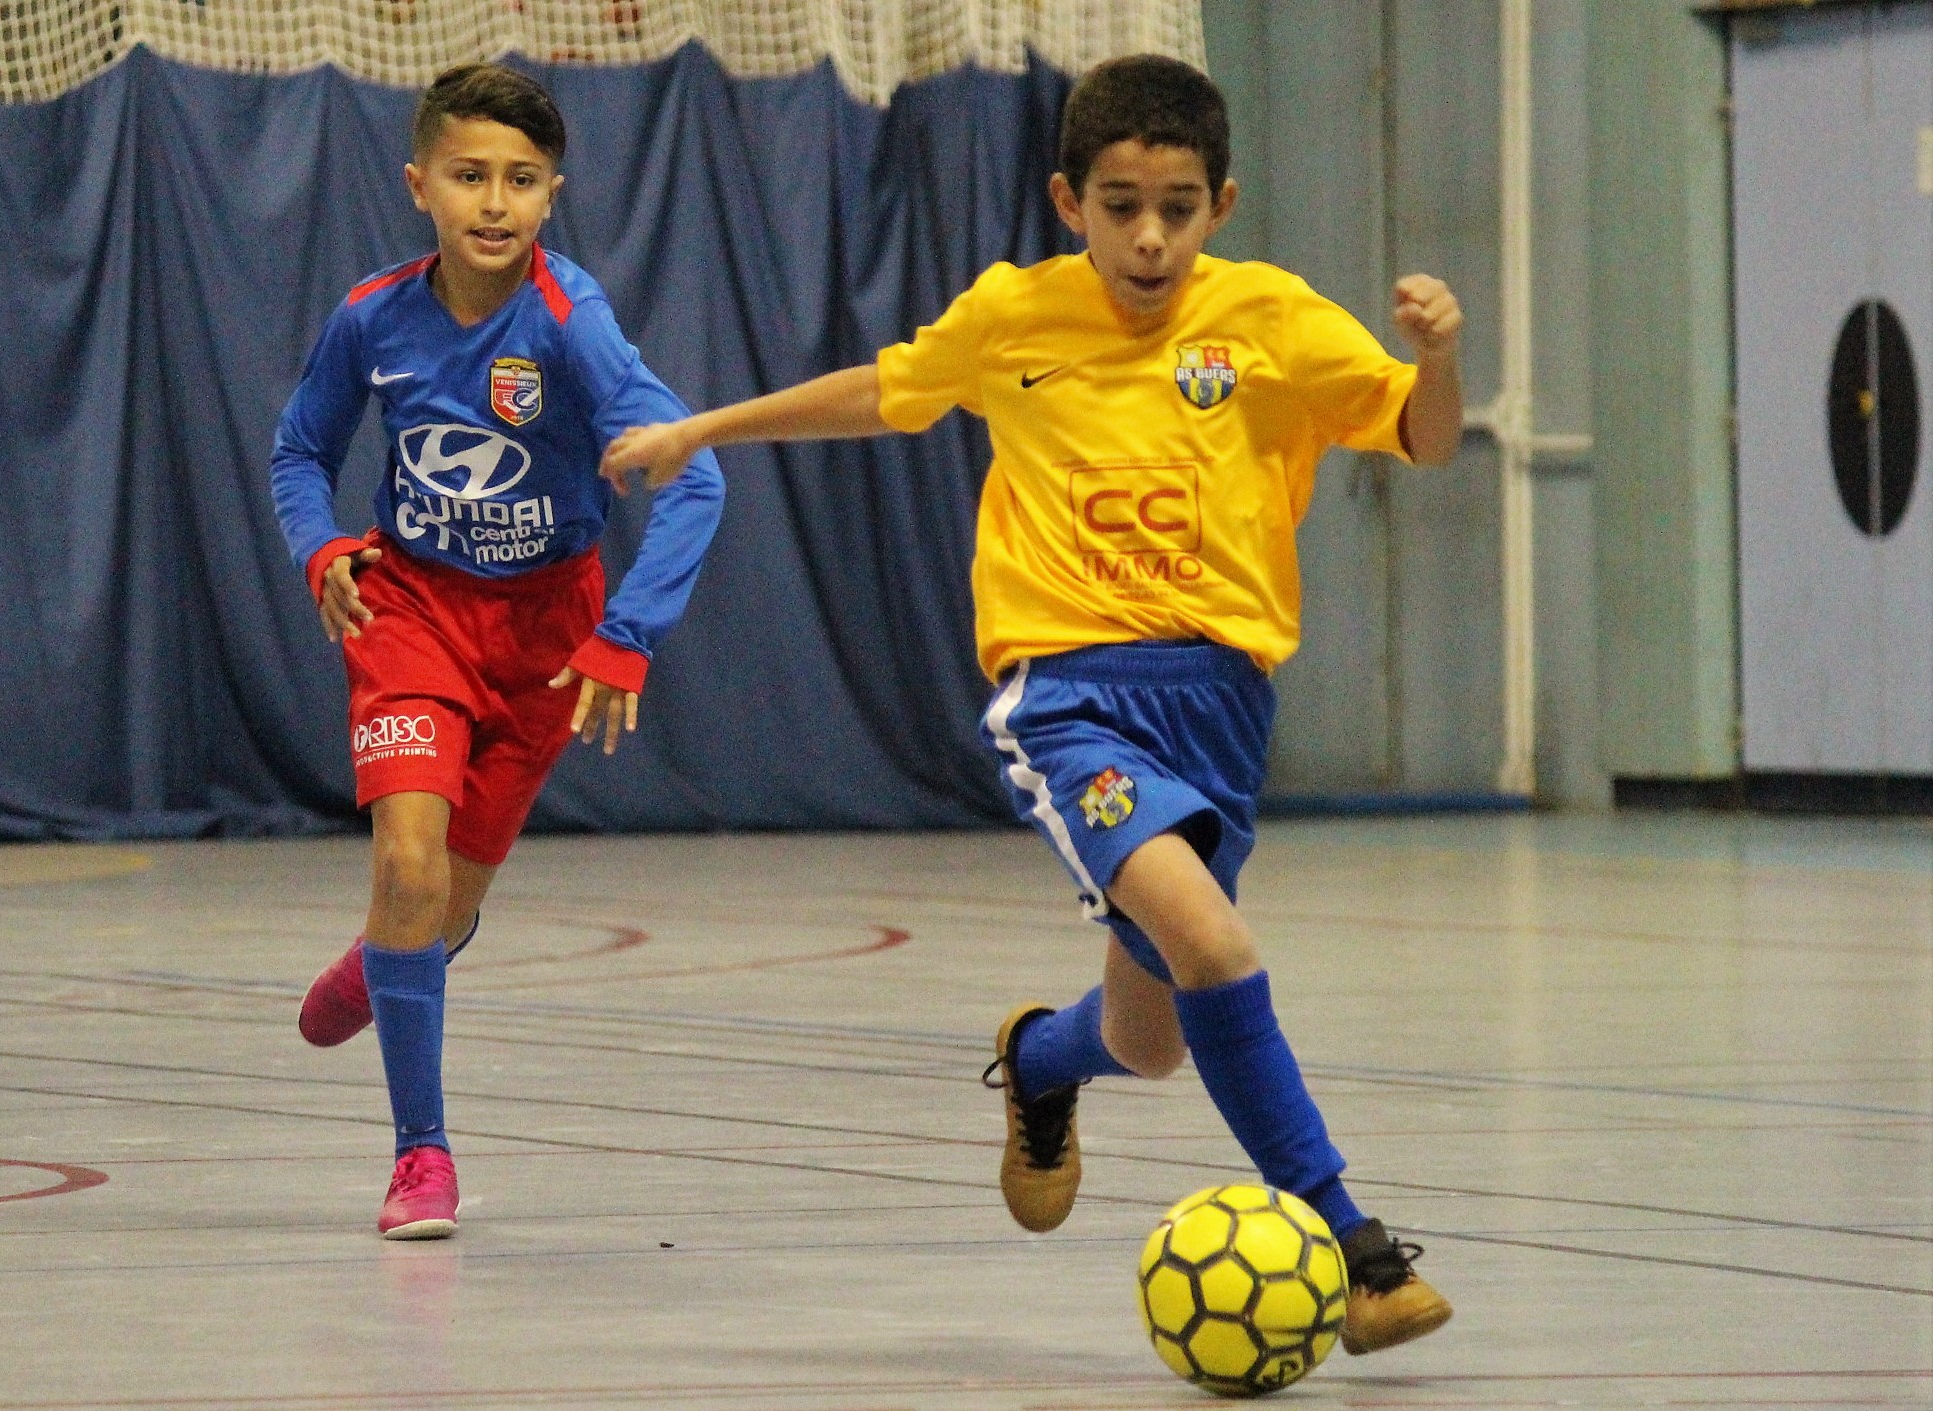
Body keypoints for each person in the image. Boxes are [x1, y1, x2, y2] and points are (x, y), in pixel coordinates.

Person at [597, 54, 1459, 1353]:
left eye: (1175, 204)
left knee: (1150, 1035)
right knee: (1216, 949)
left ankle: (1042, 1062)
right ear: (1069, 199)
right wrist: (702, 428)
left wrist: (1436, 357)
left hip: (1220, 704)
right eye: (1120, 203)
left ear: (1220, 202)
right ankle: (1355, 1243)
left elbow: (1423, 435)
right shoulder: (1014, 317)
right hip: (1066, 699)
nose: (1149, 233)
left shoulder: (1272, 320)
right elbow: (883, 390)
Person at [269, 63, 724, 1240]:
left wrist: (626, 638)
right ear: (421, 183)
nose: (493, 201)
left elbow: (697, 478)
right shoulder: (372, 316)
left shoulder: (573, 327)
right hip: (410, 612)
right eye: (469, 175)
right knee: (409, 870)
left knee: (447, 900)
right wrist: (323, 552)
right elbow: (297, 454)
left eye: (520, 181)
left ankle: (384, 963)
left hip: (543, 638)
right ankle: (421, 1154)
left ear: (551, 196)